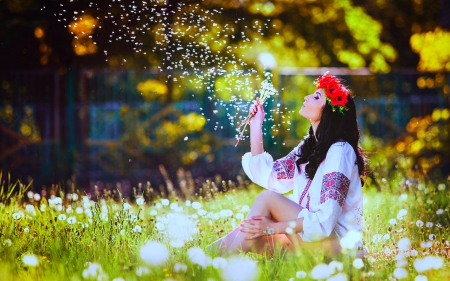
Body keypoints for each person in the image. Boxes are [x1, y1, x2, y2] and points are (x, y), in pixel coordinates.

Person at [209, 72, 367, 256]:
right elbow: (270, 175)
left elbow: (326, 221)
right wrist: (256, 125)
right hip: (312, 241)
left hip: (340, 249)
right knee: (250, 233)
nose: (307, 97)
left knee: (267, 200)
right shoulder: (309, 148)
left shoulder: (340, 150)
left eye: (316, 97)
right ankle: (197, 260)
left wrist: (271, 228)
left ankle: (217, 268)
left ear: (330, 112)